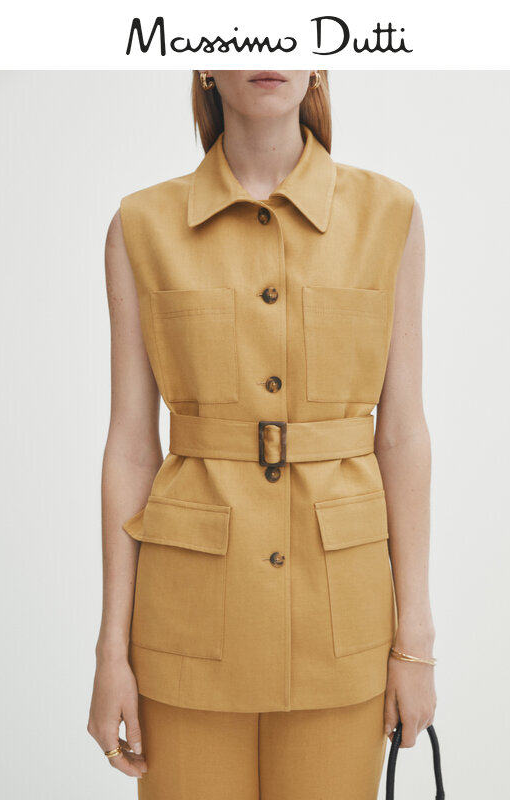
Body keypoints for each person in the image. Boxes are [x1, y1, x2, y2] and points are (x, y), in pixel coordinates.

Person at [87, 69, 436, 799]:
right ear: (206, 62)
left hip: (341, 624)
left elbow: (401, 434)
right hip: (185, 628)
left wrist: (416, 642)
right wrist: (111, 651)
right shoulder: (141, 225)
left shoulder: (389, 216)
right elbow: (131, 445)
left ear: (319, 61)